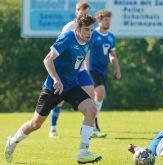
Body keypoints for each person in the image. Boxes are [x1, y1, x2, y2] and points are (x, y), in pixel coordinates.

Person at [4, 14, 102, 164]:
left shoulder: (90, 40)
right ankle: (13, 141)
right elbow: (47, 59)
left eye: (91, 30)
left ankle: (83, 152)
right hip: (53, 88)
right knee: (35, 124)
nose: (89, 33)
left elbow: (83, 56)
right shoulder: (67, 38)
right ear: (77, 28)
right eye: (86, 30)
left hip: (71, 86)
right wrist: (56, 79)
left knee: (91, 110)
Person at [49, 2, 106, 139]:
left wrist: (86, 69)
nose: (85, 15)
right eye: (83, 12)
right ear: (77, 12)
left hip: (80, 70)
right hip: (67, 70)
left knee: (91, 96)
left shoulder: (90, 30)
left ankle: (89, 128)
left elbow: (86, 52)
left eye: (88, 13)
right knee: (59, 100)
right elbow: (60, 48)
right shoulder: (68, 28)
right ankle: (53, 128)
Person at [89, 10, 121, 137]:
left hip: (103, 70)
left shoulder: (111, 37)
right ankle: (92, 124)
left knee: (97, 97)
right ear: (99, 20)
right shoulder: (93, 34)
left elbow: (112, 55)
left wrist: (117, 68)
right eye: (105, 20)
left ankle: (91, 124)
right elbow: (86, 51)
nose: (108, 22)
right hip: (92, 69)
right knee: (100, 93)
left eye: (109, 20)